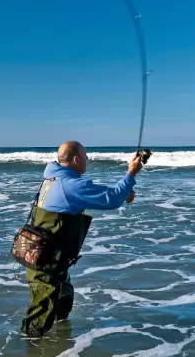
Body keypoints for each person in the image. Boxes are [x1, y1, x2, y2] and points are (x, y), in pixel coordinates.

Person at [21, 141, 142, 337]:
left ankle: (58, 348)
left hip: (45, 255)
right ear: (76, 159)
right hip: (46, 262)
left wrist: (123, 194)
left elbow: (80, 205)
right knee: (39, 319)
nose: (87, 160)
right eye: (85, 156)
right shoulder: (69, 185)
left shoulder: (52, 178)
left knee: (62, 301)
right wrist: (131, 173)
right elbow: (110, 199)